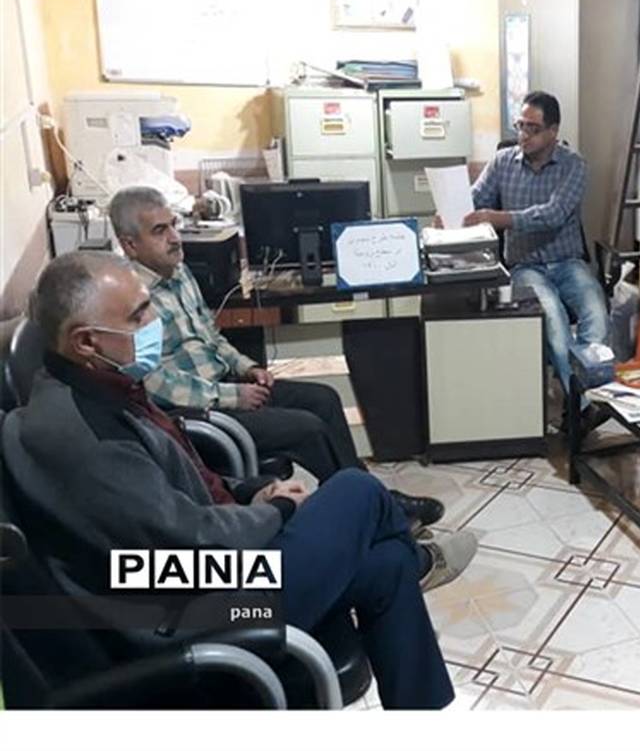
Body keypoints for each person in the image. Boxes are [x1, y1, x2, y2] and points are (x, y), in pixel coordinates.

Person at [1, 251, 479, 709]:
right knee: (358, 491)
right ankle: (421, 559)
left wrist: (249, 491)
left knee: (386, 565)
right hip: (195, 610)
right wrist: (277, 510)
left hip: (190, 576)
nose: (154, 322)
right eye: (139, 314)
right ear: (86, 342)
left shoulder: (97, 388)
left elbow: (176, 482)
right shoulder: (87, 437)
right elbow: (192, 541)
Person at [106, 186, 440, 527]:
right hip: (195, 410)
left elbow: (211, 337)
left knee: (324, 399)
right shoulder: (129, 299)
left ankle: (369, 500)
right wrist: (232, 396)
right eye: (159, 231)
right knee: (306, 429)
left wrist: (247, 367)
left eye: (174, 225)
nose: (175, 238)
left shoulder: (178, 273)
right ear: (130, 244)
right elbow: (154, 382)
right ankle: (372, 510)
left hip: (224, 385)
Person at [463, 91, 610, 431]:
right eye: (520, 126)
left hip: (568, 262)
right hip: (526, 266)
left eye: (533, 128)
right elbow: (474, 198)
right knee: (554, 320)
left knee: (596, 314)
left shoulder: (574, 165)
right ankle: (584, 406)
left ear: (553, 131)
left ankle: (584, 399)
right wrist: (451, 210)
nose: (524, 135)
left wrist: (499, 218)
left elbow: (553, 214)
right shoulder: (503, 162)